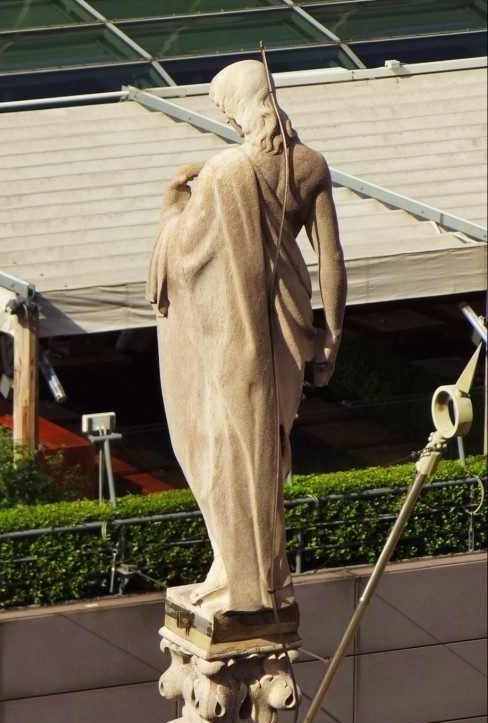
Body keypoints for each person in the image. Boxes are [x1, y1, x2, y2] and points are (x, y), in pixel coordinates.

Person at [147, 59, 347, 614]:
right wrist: (332, 332)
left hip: (236, 340)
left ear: (241, 104)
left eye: (226, 110)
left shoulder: (222, 173)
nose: (229, 123)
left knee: (230, 448)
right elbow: (330, 257)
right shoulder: (310, 164)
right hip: (290, 331)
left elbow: (184, 260)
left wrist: (172, 209)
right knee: (270, 448)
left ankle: (246, 576)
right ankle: (252, 571)